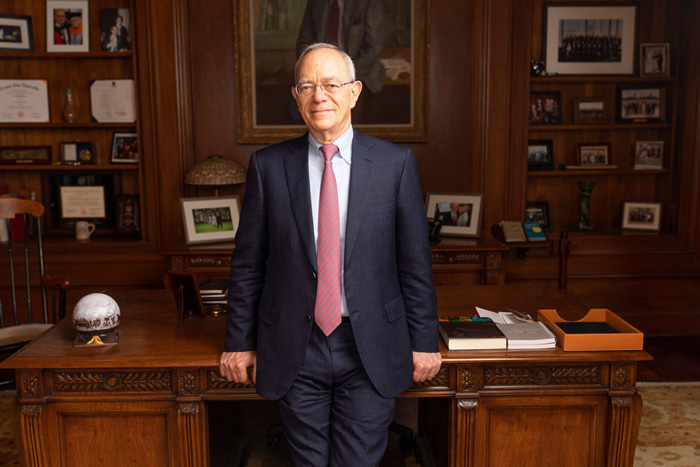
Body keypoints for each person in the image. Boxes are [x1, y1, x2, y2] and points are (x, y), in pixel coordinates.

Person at [219, 43, 441, 466]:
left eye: (331, 84)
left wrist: (424, 340)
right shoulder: (268, 167)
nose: (319, 95)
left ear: (355, 92)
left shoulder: (395, 165)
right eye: (307, 85)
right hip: (294, 346)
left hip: (370, 343)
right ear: (296, 97)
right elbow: (247, 266)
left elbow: (415, 264)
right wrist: (239, 341)